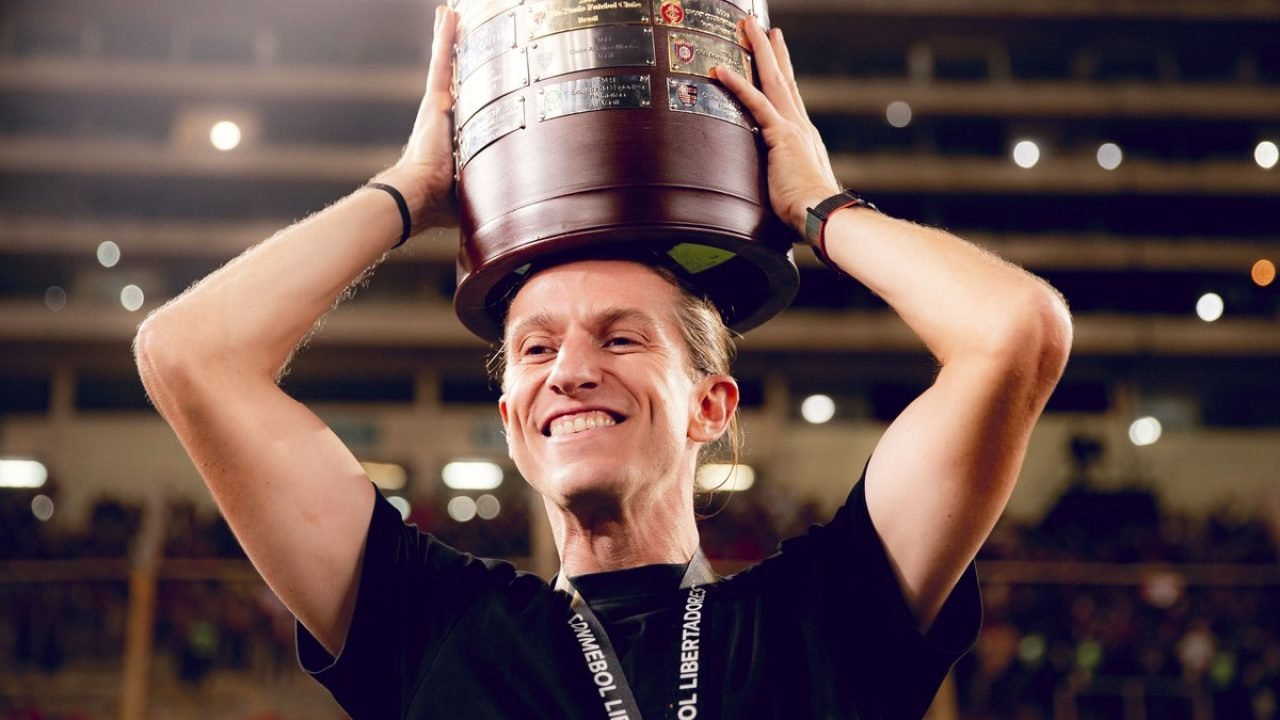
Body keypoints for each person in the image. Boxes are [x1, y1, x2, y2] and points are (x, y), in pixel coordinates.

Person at [133, 7, 1072, 719]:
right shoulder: (430, 623)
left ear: (711, 404)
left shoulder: (819, 618)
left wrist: (820, 208)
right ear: (511, 421)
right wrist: (411, 191)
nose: (569, 370)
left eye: (622, 338)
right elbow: (188, 354)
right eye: (535, 348)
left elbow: (1014, 330)